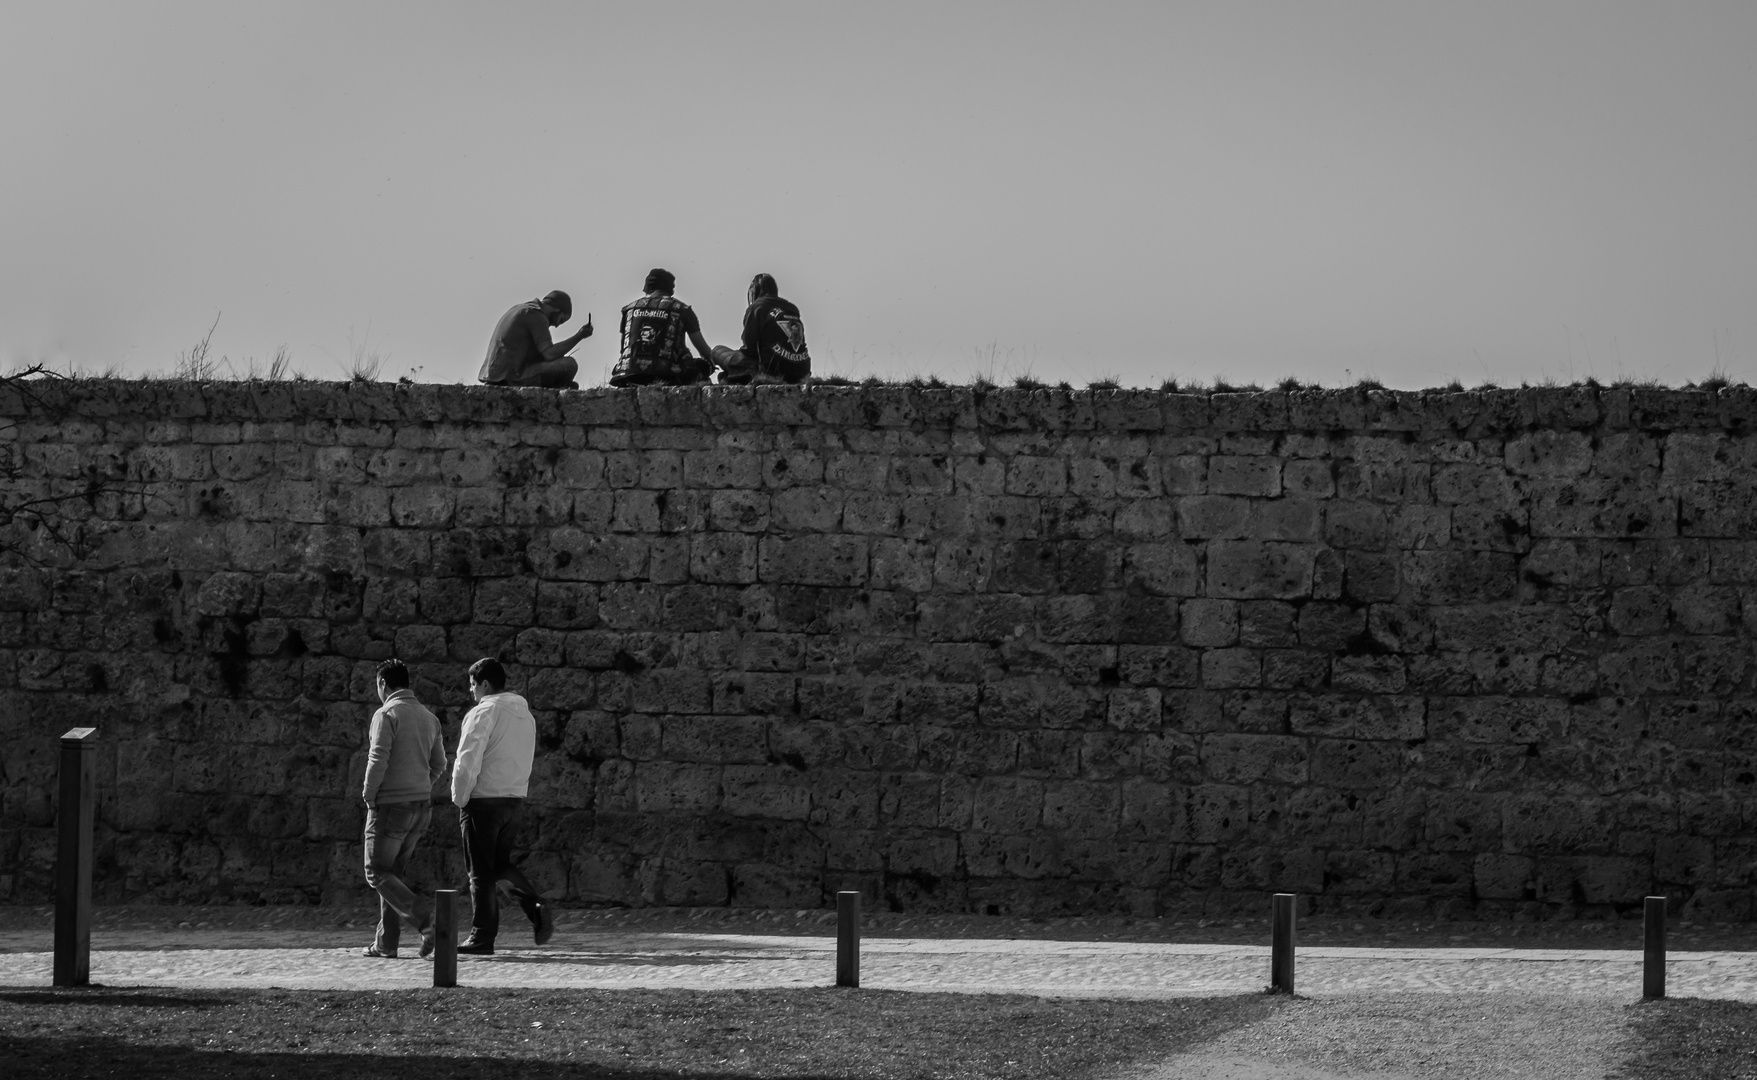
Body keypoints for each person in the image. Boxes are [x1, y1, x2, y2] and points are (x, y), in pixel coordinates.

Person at [453, 657, 553, 954]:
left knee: (480, 872)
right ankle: (535, 907)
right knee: (499, 865)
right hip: (513, 799)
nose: (471, 692)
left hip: (483, 801)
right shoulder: (525, 716)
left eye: (473, 685)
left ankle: (481, 936)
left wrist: (460, 797)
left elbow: (468, 757)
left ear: (484, 684)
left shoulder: (483, 713)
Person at [360, 658, 448, 959]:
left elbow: (378, 757)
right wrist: (422, 786)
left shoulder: (386, 714)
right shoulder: (428, 717)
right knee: (392, 873)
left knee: (376, 871)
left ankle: (427, 921)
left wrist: (369, 794)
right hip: (421, 806)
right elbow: (440, 764)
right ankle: (387, 942)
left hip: (390, 806)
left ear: (383, 683)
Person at [609, 268, 713, 386]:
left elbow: (624, 348)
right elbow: (703, 349)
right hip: (667, 375)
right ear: (671, 289)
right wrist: (711, 363)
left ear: (647, 287)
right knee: (700, 366)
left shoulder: (629, 309)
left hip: (628, 374)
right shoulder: (683, 310)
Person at [478, 289, 593, 388]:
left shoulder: (521, 309)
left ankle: (560, 386)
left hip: (497, 374)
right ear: (556, 310)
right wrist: (579, 336)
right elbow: (549, 354)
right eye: (561, 319)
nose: (557, 325)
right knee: (569, 365)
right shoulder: (536, 315)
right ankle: (556, 388)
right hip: (510, 376)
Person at [712, 273, 812, 385]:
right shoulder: (792, 309)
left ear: (754, 291)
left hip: (769, 370)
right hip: (801, 371)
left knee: (717, 351)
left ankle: (729, 377)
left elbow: (749, 346)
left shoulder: (757, 307)